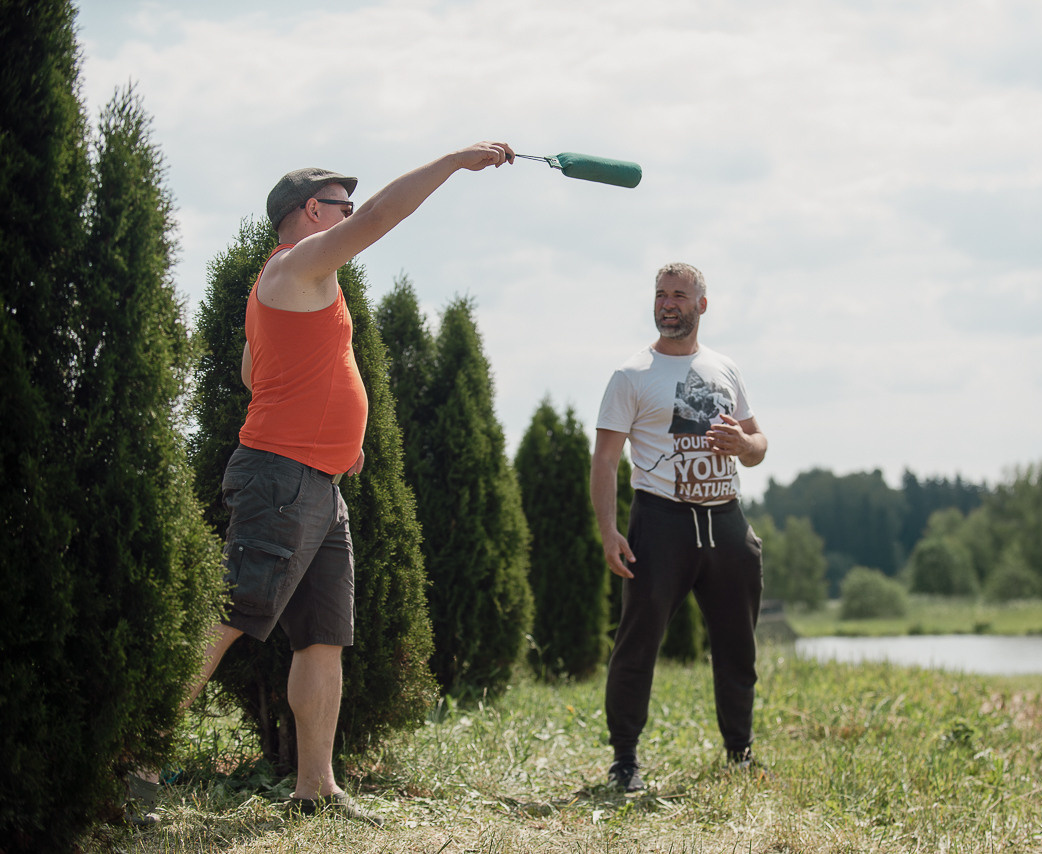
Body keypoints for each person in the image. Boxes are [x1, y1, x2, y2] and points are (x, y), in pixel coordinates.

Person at [146, 142, 516, 826]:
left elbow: (256, 374)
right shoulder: (295, 263)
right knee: (228, 617)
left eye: (347, 207)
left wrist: (335, 438)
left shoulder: (292, 284)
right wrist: (454, 162)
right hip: (280, 479)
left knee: (322, 637)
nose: (349, 216)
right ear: (312, 212)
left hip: (314, 480)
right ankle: (133, 766)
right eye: (339, 207)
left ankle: (316, 788)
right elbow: (378, 217)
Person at [590, 261, 768, 793]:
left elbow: (759, 447)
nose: (669, 303)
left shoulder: (725, 369)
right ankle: (625, 761)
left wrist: (744, 445)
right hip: (661, 523)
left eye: (680, 296)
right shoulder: (631, 375)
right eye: (662, 295)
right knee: (637, 645)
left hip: (727, 521)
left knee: (738, 645)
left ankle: (740, 752)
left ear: (701, 306)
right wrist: (608, 531)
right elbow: (604, 460)